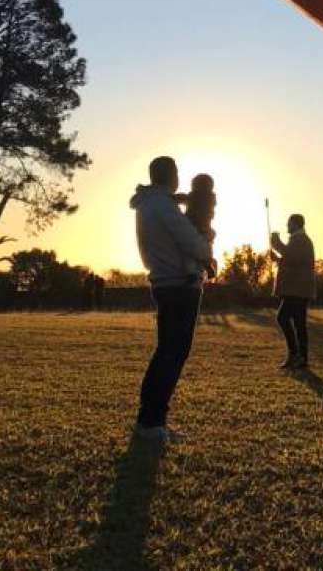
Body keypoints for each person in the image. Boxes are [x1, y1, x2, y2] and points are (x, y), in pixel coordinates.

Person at [130, 155, 213, 442]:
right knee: (173, 353)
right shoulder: (163, 206)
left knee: (166, 351)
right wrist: (208, 243)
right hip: (180, 285)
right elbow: (192, 243)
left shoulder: (150, 203)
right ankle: (152, 422)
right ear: (170, 174)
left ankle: (151, 418)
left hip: (165, 282)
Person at [270, 214, 316, 370]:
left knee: (284, 318)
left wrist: (276, 243)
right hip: (298, 289)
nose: (287, 227)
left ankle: (296, 354)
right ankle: (299, 357)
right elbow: (293, 260)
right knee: (298, 324)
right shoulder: (299, 240)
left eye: (288, 224)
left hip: (297, 290)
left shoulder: (300, 240)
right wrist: (277, 259)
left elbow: (291, 257)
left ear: (295, 224)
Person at [176, 173, 218, 282]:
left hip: (195, 227)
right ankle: (207, 265)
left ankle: (194, 271)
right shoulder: (210, 198)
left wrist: (172, 198)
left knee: (190, 251)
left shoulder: (197, 196)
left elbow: (183, 198)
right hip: (204, 229)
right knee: (205, 250)